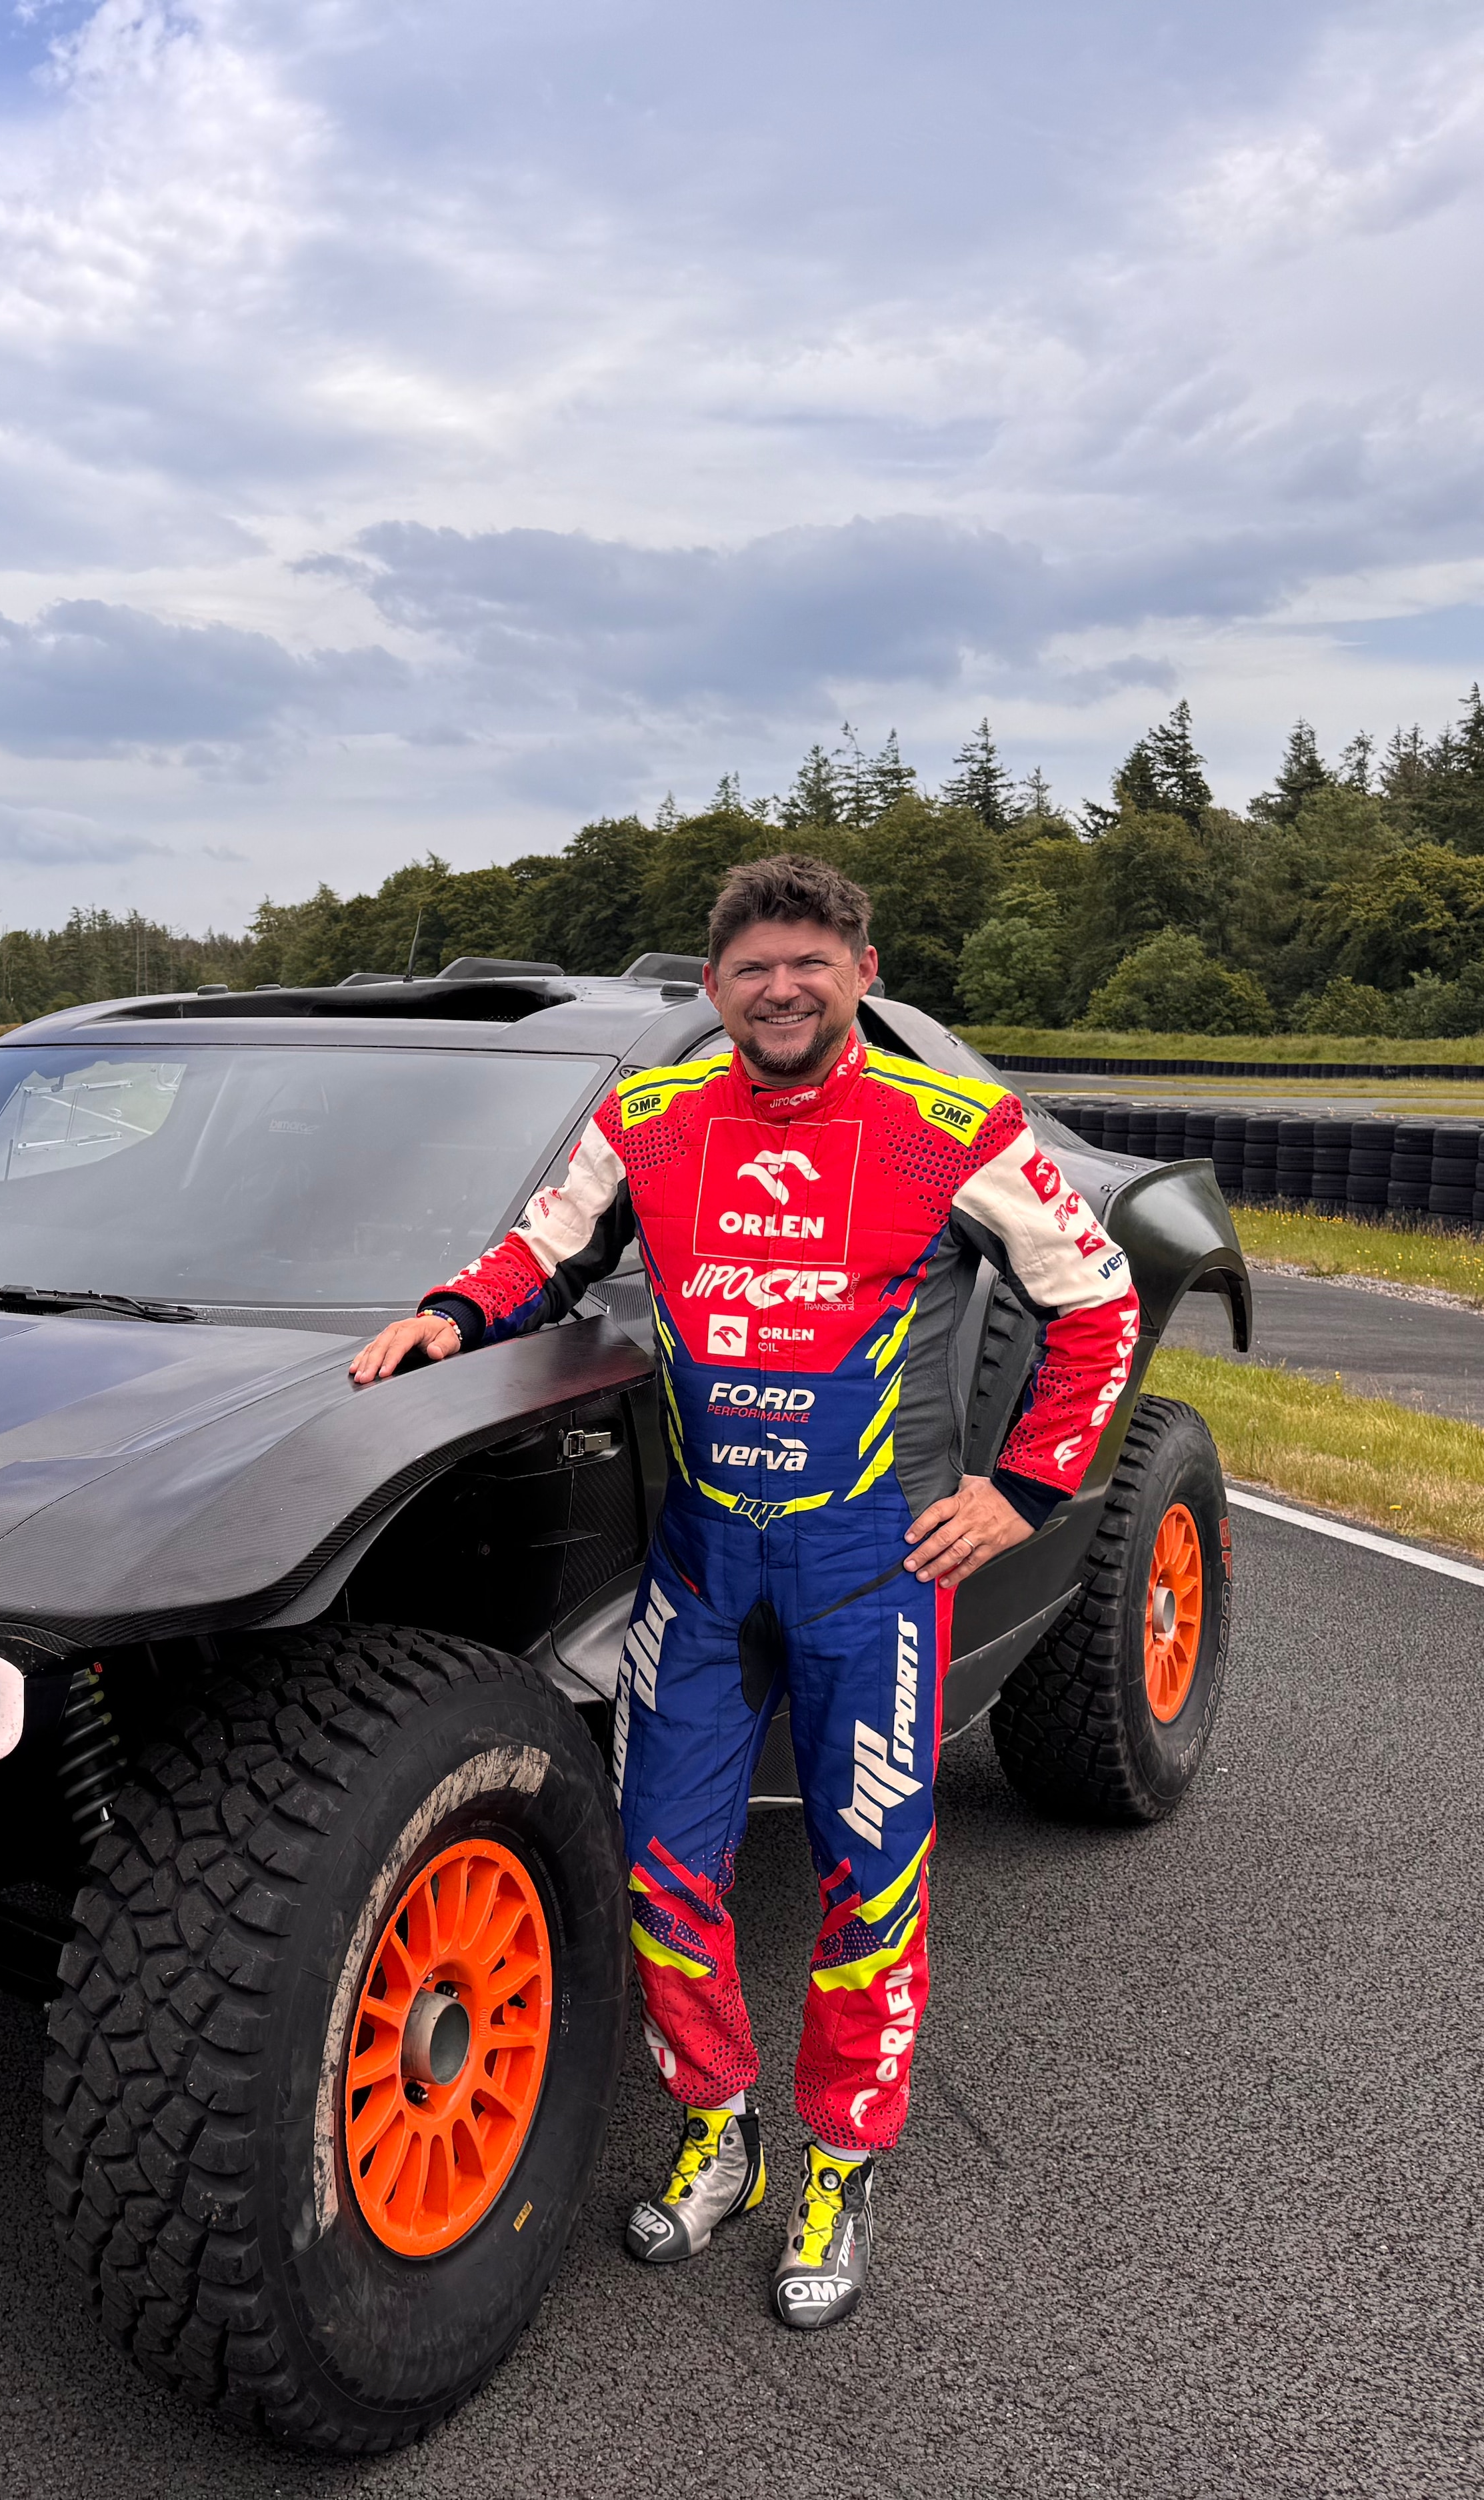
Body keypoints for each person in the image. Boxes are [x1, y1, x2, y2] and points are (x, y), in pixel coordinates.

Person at [347, 855, 1137, 2329]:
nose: (782, 988)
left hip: (870, 1574)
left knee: (869, 1877)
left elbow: (1095, 1301)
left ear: (860, 970)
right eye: (753, 968)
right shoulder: (648, 1118)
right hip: (701, 1570)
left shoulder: (948, 1125)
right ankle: (721, 2127)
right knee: (661, 1872)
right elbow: (541, 1248)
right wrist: (449, 1315)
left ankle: (842, 2159)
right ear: (714, 990)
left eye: (810, 963)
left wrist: (1022, 1489)